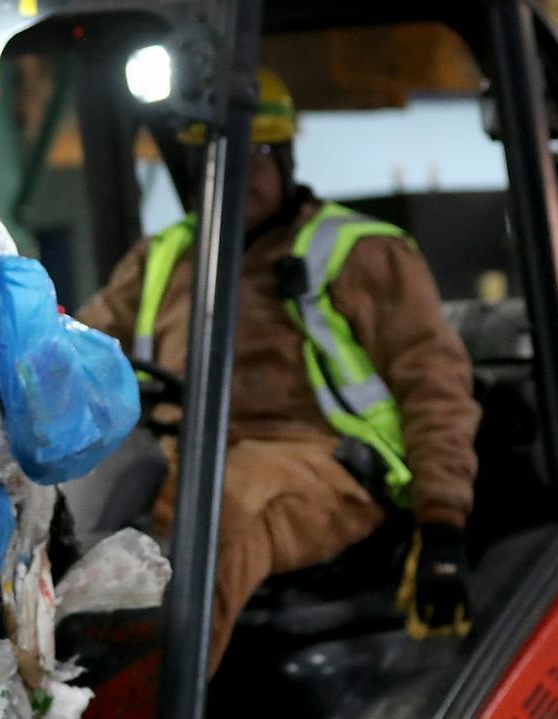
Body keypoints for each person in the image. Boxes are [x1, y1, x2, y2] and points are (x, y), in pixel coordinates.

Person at [76, 67, 481, 674]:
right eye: (216, 154)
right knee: (58, 504)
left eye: (259, 153)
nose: (240, 171)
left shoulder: (362, 253)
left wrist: (442, 522)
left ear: (288, 158)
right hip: (178, 455)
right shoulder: (163, 258)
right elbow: (78, 351)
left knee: (220, 509)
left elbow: (436, 387)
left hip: (318, 464)